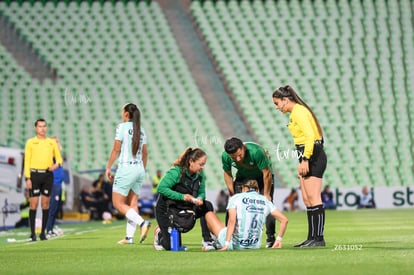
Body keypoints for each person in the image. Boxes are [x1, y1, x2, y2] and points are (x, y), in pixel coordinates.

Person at [272, 85, 327, 247]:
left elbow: (310, 137)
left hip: (312, 155)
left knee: (314, 197)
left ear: (285, 100)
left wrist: (305, 159)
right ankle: (312, 238)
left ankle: (319, 239)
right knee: (307, 199)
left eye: (277, 103)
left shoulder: (299, 112)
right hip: (306, 154)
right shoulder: (296, 112)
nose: (276, 107)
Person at [105, 103, 151, 245]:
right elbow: (145, 153)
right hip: (139, 169)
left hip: (126, 168)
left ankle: (142, 223)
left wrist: (108, 167)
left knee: (118, 203)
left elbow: (116, 150)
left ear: (126, 114)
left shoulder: (122, 127)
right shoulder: (141, 130)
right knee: (132, 203)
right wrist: (142, 169)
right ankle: (129, 237)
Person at [153, 147, 215, 251]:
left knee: (207, 205)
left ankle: (207, 240)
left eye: (204, 164)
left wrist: (200, 198)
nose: (202, 167)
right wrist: (182, 197)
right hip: (166, 209)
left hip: (184, 205)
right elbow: (161, 188)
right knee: (171, 246)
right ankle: (160, 234)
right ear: (191, 162)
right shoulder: (176, 172)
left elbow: (202, 192)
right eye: (201, 164)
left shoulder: (200, 174)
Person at [221, 137, 276, 248]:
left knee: (268, 206)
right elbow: (227, 173)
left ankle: (271, 239)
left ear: (243, 148)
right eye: (234, 157)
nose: (238, 159)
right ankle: (228, 239)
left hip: (262, 177)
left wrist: (266, 194)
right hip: (243, 177)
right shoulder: (226, 156)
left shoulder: (256, 152)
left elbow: (267, 173)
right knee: (232, 206)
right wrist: (232, 194)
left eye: (239, 155)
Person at [205, 180, 288, 250]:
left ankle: (215, 242)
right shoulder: (265, 200)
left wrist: (227, 244)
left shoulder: (236, 198)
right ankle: (217, 242)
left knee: (209, 215)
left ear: (244, 188)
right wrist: (279, 239)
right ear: (257, 190)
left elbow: (232, 221)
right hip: (254, 246)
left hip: (235, 245)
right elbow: (284, 220)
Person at [24, 118, 63, 241]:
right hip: (34, 175)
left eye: (44, 126)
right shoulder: (30, 142)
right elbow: (27, 161)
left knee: (45, 204)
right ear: (36, 128)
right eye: (40, 126)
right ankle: (32, 234)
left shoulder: (51, 142)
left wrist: (56, 165)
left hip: (47, 175)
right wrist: (28, 178)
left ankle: (43, 233)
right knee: (33, 204)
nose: (42, 128)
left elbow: (59, 159)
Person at [45, 136, 65, 237]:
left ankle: (50, 229)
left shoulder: (57, 157)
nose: (58, 144)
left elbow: (60, 150)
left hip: (58, 183)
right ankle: (48, 230)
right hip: (54, 183)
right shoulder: (51, 156)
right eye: (56, 142)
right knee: (52, 207)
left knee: (56, 207)